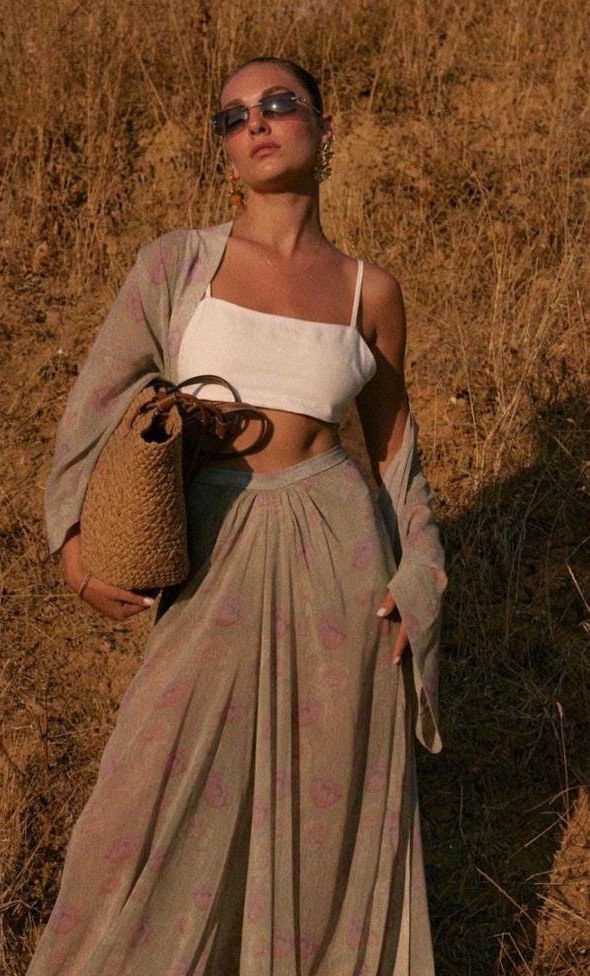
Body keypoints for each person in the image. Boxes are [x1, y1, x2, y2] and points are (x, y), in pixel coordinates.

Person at [28, 56, 446, 976]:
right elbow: (96, 402)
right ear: (224, 148)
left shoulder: (370, 291)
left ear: (325, 129)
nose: (256, 122)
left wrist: (420, 573)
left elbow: (394, 453)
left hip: (340, 557)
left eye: (279, 104)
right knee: (142, 800)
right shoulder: (178, 263)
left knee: (323, 817)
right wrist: (74, 546)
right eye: (233, 115)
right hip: (213, 541)